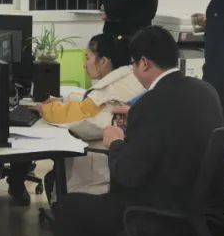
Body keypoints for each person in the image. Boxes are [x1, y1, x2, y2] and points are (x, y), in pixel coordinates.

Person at [12, 26, 224, 236]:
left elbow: (128, 174)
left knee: (73, 207)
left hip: (166, 217)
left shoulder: (152, 104)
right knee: (106, 206)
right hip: (206, 212)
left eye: (134, 64)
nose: (133, 71)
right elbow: (174, 136)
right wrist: (135, 118)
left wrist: (116, 142)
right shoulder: (204, 90)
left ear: (144, 63)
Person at [34, 33, 144, 195]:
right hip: (126, 164)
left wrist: (45, 109)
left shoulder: (107, 91)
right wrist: (64, 100)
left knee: (53, 178)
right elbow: (92, 107)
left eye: (88, 58)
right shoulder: (130, 77)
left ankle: (65, 207)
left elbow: (81, 118)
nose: (85, 65)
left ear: (104, 61)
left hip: (102, 174)